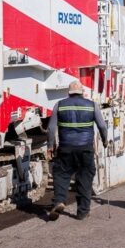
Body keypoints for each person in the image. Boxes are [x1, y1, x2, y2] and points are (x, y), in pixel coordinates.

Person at [46, 80, 109, 221]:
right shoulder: (92, 105)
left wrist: (50, 146)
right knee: (84, 178)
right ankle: (82, 211)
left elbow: (51, 128)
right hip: (85, 148)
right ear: (82, 92)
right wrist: (105, 140)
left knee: (61, 174)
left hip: (66, 148)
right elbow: (102, 127)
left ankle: (59, 201)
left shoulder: (59, 105)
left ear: (69, 92)